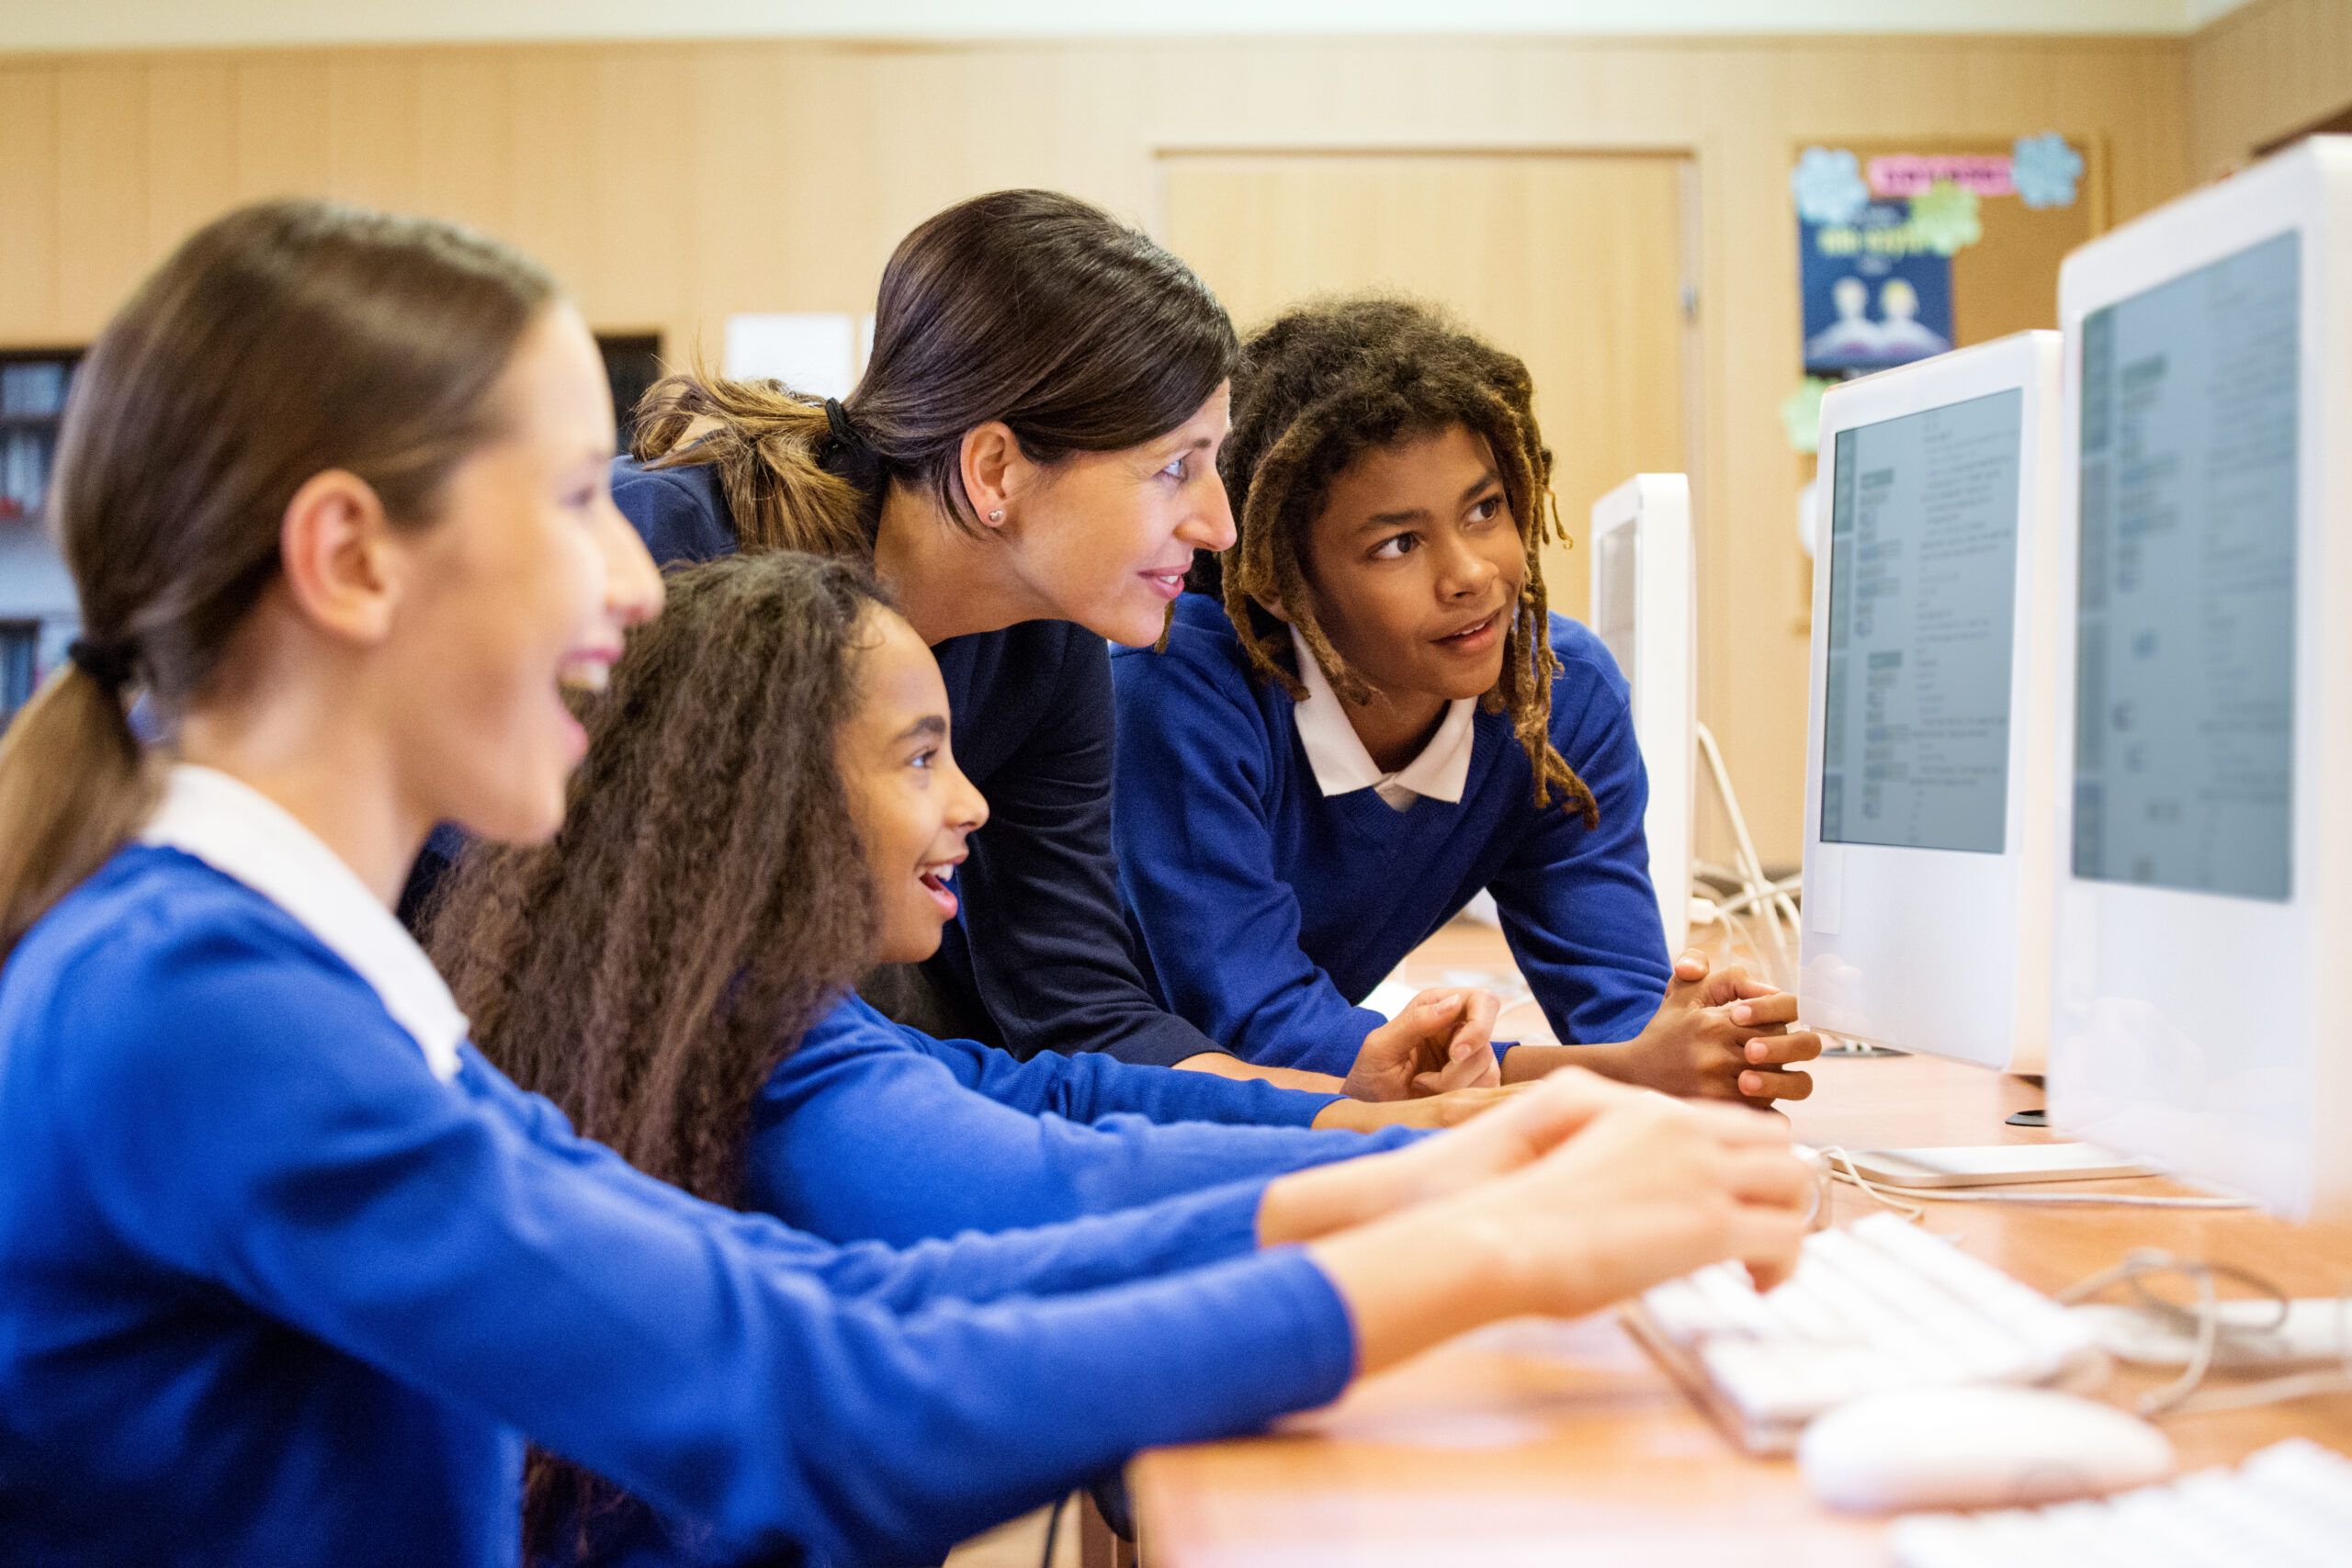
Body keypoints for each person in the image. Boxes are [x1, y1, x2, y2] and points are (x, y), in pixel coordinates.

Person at [0, 199, 1812, 1568]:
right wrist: (1486, 1236)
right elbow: (809, 1394)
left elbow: (840, 1299)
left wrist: (1445, 1173)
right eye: (571, 502)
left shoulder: (277, 979)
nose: (634, 586)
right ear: (348, 558)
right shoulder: (204, 1009)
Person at [460, 188, 1503, 1102]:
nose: (1221, 525)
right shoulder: (653, 564)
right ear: (997, 471)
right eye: (1175, 469)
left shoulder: (1045, 648)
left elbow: (1077, 1006)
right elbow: (476, 910)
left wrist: (1333, 1097)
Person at [433, 551, 1527, 1259]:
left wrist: (1366, 1117)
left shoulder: (758, 1009)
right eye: (920, 760)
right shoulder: (770, 1071)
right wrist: (1451, 1165)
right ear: (770, 798)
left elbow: (1050, 1094)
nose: (972, 804)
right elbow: (1067, 1182)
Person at [1112, 299, 1824, 1103]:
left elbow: (1620, 1010)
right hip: (1071, 1091)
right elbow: (1260, 1022)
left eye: (1485, 510)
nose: (1471, 573)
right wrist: (1608, 1072)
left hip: (1271, 1113)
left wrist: (1697, 1048)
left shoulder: (1556, 693)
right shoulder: (1178, 685)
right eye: (1398, 544)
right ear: (1276, 578)